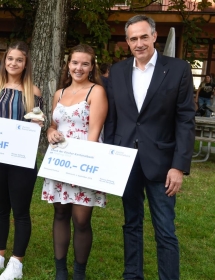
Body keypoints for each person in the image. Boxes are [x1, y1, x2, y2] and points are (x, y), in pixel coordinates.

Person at [104, 15, 195, 280]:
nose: (139, 43)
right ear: (127, 42)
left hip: (162, 163)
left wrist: (179, 166)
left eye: (144, 36)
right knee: (131, 223)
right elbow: (113, 119)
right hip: (125, 160)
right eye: (133, 38)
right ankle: (132, 275)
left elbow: (185, 120)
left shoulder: (178, 69)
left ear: (155, 36)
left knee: (165, 229)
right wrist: (110, 155)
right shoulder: (118, 71)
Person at [0, 41, 43, 280]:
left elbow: (37, 123)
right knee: (0, 209)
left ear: (25, 64)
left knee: (20, 211)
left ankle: (16, 263)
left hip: (21, 159)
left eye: (19, 60)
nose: (14, 63)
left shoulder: (33, 91)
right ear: (4, 61)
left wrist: (38, 124)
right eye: (10, 59)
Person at [42, 44, 107, 280]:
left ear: (92, 67)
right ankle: (61, 270)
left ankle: (79, 272)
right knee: (60, 213)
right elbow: (54, 124)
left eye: (85, 63)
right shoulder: (59, 93)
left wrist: (83, 165)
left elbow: (95, 131)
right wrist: (50, 132)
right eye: (74, 63)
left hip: (84, 161)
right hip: (59, 160)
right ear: (68, 65)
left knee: (81, 219)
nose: (78, 68)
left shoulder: (96, 92)